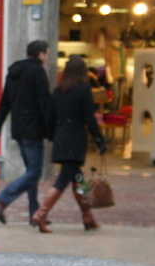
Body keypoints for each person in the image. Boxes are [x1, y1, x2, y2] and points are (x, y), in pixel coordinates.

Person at [32, 55, 107, 233]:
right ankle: (41, 214)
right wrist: (99, 139)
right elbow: (90, 118)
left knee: (77, 178)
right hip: (75, 139)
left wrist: (52, 136)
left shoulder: (59, 91)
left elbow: (50, 118)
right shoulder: (84, 90)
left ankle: (88, 216)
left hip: (61, 137)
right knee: (64, 178)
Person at [0, 40, 51, 224]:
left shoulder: (14, 72)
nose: (47, 58)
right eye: (47, 54)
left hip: (18, 129)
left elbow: (5, 103)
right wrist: (52, 129)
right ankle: (3, 198)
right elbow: (45, 103)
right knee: (34, 172)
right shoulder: (38, 72)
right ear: (41, 54)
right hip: (33, 129)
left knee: (30, 171)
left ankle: (35, 213)